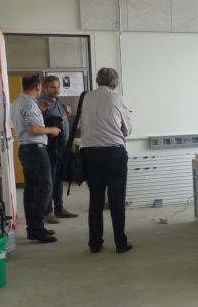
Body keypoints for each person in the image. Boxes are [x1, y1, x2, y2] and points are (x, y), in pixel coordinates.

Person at [79, 68, 133, 254]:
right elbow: (128, 129)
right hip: (113, 153)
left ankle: (94, 243)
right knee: (117, 199)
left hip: (91, 154)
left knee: (95, 200)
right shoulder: (116, 98)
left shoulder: (86, 97)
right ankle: (120, 243)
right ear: (114, 82)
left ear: (98, 80)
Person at [10, 74, 60, 243]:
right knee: (45, 187)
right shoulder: (29, 104)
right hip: (36, 149)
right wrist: (52, 130)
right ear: (38, 86)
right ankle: (37, 227)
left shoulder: (18, 103)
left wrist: (40, 110)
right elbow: (33, 129)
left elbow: (22, 123)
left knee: (31, 189)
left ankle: (33, 228)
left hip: (25, 149)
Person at [39, 76, 79, 224]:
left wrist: (66, 111)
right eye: (52, 87)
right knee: (49, 179)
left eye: (58, 87)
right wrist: (59, 119)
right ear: (45, 88)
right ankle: (47, 211)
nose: (56, 90)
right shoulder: (42, 103)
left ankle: (59, 208)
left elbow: (61, 118)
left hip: (61, 145)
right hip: (50, 146)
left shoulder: (57, 101)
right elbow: (40, 123)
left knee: (57, 178)